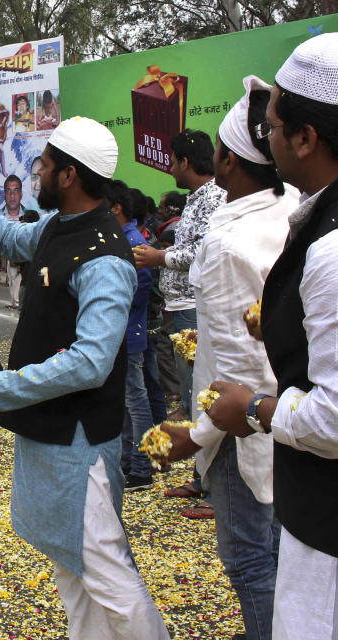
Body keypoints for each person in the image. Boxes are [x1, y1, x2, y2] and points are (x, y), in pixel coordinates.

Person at [0, 116, 170, 639]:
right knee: (72, 567)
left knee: (104, 569)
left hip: (78, 439)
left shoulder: (105, 258)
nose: (39, 175)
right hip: (52, 430)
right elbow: (7, 235)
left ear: (70, 176)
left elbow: (89, 362)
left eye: (46, 166)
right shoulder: (58, 228)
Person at [205, 34, 338, 640]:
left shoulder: (329, 249)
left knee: (262, 569)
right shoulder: (310, 218)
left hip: (323, 509)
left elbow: (333, 418)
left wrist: (252, 410)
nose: (271, 140)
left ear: (306, 139)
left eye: (278, 126)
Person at [151, 75, 293, 640]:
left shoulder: (227, 243)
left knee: (250, 559)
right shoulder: (288, 214)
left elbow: (240, 373)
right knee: (281, 544)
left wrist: (198, 435)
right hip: (285, 414)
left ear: (229, 163)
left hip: (242, 427)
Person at [134, 129, 226, 517]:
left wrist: (161, 259)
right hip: (181, 304)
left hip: (195, 305)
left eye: (172, 161)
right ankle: (200, 476)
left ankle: (215, 490)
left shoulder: (215, 197)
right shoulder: (195, 199)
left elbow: (205, 250)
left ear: (187, 162)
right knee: (191, 396)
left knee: (205, 396)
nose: (169, 167)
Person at [106, 181, 156, 492]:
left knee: (136, 401)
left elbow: (141, 286)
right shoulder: (121, 238)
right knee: (126, 401)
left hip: (129, 332)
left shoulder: (133, 243)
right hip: (121, 332)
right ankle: (128, 462)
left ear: (117, 208)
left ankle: (142, 467)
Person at [2, 175, 25, 309]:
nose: (12, 195)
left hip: (19, 257)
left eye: (16, 190)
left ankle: (17, 302)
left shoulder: (27, 217)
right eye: (8, 191)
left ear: (21, 194)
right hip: (10, 257)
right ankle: (13, 301)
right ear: (4, 194)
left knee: (18, 280)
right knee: (11, 279)